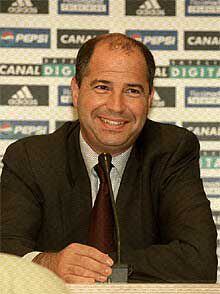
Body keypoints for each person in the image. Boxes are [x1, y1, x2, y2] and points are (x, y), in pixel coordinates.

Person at [0, 33, 217, 283]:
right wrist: (50, 263)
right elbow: (5, 252)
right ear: (76, 91)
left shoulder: (172, 150)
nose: (116, 106)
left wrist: (101, 269)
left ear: (149, 99)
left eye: (132, 91)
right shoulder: (31, 158)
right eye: (102, 87)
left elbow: (199, 260)